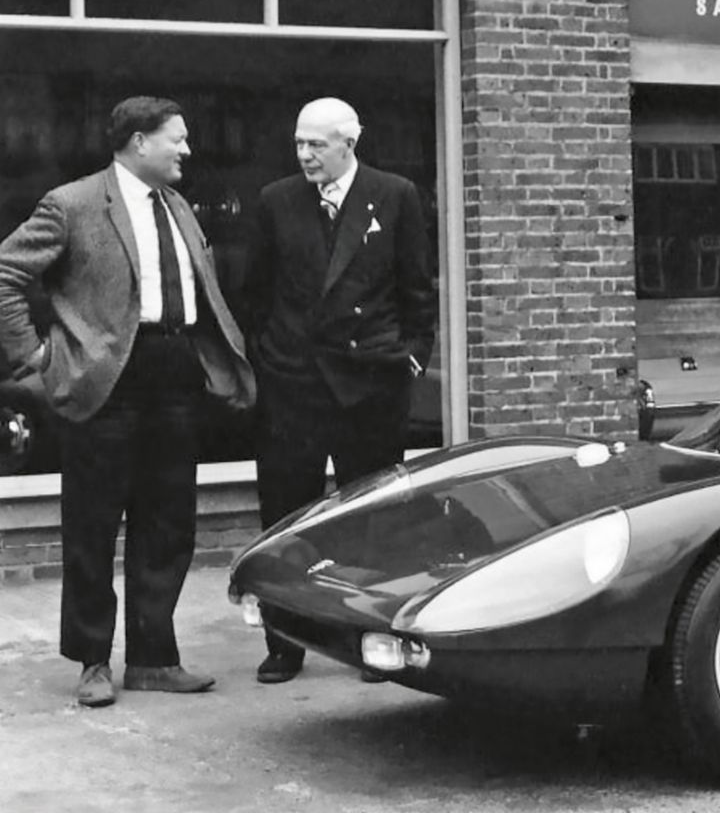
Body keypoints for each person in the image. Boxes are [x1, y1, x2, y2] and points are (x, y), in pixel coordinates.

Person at [0, 96, 255, 708]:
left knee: (169, 524)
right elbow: (6, 272)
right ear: (140, 142)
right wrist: (34, 359)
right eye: (178, 139)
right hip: (103, 382)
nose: (188, 150)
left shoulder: (181, 208)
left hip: (174, 374)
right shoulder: (73, 204)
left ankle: (153, 658)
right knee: (93, 525)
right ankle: (92, 660)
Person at [242, 97, 435, 683]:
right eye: (299, 144)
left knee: (372, 520)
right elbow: (255, 290)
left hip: (369, 385)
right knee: (287, 519)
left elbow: (416, 289)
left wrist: (410, 360)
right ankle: (285, 644)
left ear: (350, 143)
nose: (305, 156)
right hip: (294, 386)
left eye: (316, 145)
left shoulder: (395, 194)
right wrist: (271, 361)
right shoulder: (277, 201)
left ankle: (371, 639)